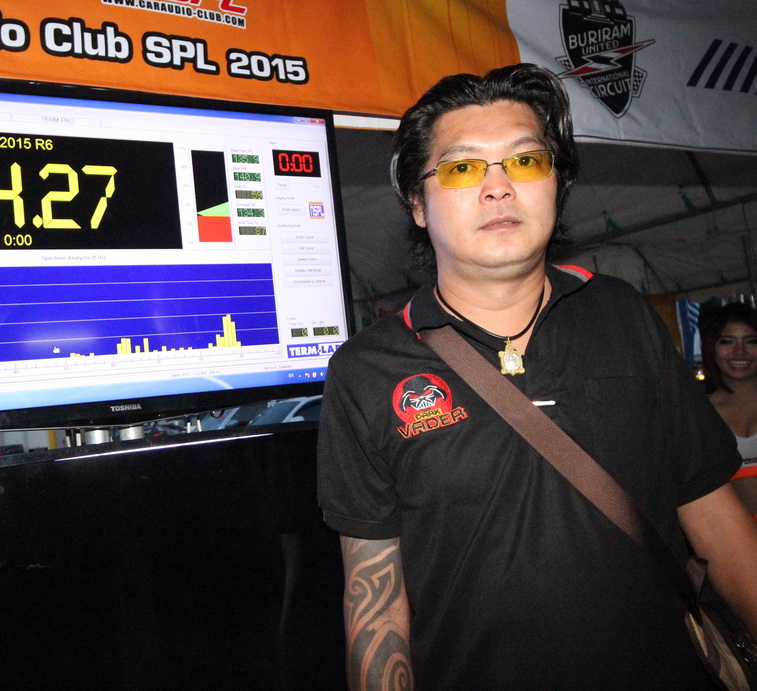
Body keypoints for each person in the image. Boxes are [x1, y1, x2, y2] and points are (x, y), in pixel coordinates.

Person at [317, 63, 757, 689]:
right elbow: (375, 603)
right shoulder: (366, 371)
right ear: (417, 203)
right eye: (462, 168)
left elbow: (713, 514)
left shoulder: (622, 315)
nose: (498, 187)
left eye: (525, 161)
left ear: (557, 183)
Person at [702, 301, 757, 519]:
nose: (740, 352)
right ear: (712, 347)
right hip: (733, 535)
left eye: (751, 341)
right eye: (727, 341)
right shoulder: (701, 414)